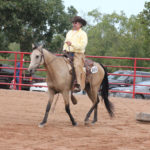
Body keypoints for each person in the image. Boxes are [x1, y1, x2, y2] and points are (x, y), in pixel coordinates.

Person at [63, 16, 88, 92]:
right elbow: (65, 43)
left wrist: (72, 44)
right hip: (67, 53)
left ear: (80, 24)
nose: (74, 24)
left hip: (78, 54)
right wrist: (64, 49)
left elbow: (82, 46)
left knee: (77, 66)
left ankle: (78, 84)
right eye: (73, 22)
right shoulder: (69, 33)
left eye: (75, 22)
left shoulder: (83, 34)